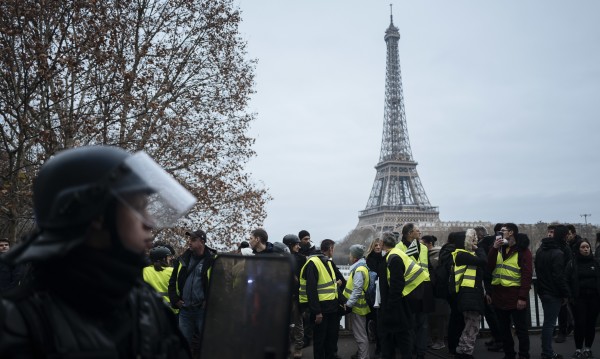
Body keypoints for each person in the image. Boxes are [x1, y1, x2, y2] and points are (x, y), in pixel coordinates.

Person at [0, 145, 192, 357]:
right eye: (138, 207)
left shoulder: (146, 305)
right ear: (97, 216)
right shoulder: (16, 323)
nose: (149, 223)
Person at [488, 223, 533, 359]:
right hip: (499, 295)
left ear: (511, 232)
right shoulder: (499, 248)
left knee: (521, 330)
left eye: (502, 231)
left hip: (515, 295)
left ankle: (524, 355)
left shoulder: (523, 251)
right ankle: (509, 354)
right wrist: (494, 248)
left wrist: (522, 297)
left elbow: (527, 275)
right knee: (504, 330)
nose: (499, 233)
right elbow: (489, 267)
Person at [168, 229, 217, 355]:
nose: (189, 242)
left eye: (193, 240)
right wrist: (175, 300)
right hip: (185, 312)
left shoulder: (213, 260)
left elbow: (220, 284)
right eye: (189, 240)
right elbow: (172, 282)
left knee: (208, 345)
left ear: (202, 242)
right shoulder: (182, 259)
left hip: (203, 311)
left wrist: (209, 302)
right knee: (184, 346)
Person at [379, 232, 420, 359]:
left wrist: (389, 308)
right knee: (401, 337)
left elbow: (396, 284)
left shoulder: (393, 258)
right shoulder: (395, 255)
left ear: (382, 243)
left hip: (396, 305)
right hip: (400, 302)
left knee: (399, 338)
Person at [299, 239, 342, 359]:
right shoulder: (313, 263)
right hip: (322, 309)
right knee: (320, 340)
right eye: (333, 248)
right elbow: (311, 290)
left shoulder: (326, 261)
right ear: (330, 249)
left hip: (331, 307)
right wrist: (317, 311)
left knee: (330, 338)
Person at [396, 223, 433, 359]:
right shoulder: (398, 248)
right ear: (410, 233)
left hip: (424, 289)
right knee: (409, 323)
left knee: (423, 324)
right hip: (408, 290)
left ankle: (421, 352)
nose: (420, 232)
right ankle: (409, 351)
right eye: (418, 230)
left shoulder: (423, 248)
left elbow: (428, 266)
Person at [535, 225, 570, 359]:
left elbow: (538, 271)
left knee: (547, 323)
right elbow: (558, 277)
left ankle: (547, 351)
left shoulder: (539, 251)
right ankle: (547, 352)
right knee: (549, 324)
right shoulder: (558, 253)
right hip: (553, 293)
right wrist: (566, 293)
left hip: (543, 291)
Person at [452, 229, 487, 359]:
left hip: (470, 294)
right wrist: (479, 249)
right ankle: (465, 352)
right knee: (472, 325)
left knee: (470, 325)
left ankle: (462, 350)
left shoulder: (463, 255)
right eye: (473, 239)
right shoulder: (462, 255)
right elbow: (483, 261)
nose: (475, 242)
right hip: (469, 295)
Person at [566, 239, 600, 359]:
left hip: (594, 298)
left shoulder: (596, 263)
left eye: (587, 247)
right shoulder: (572, 263)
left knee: (591, 324)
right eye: (583, 247)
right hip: (579, 298)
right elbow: (567, 281)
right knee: (580, 324)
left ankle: (588, 348)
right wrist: (570, 296)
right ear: (578, 249)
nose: (586, 249)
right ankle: (578, 349)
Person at [475, 224, 503, 352]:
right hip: (497, 282)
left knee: (491, 314)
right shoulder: (493, 242)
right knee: (495, 314)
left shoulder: (482, 246)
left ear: (478, 235)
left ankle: (499, 340)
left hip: (487, 283)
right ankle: (497, 338)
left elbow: (484, 265)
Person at [420, 235, 448, 351]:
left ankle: (439, 340)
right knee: (432, 316)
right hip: (430, 290)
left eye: (422, 243)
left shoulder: (437, 255)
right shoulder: (426, 254)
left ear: (429, 243)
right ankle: (432, 339)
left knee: (439, 316)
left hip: (437, 290)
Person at [343, 244, 371, 359]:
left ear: (355, 257)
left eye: (350, 254)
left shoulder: (358, 270)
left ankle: (363, 357)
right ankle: (361, 354)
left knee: (360, 335)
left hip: (357, 307)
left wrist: (349, 304)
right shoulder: (361, 267)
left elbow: (357, 290)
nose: (349, 256)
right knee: (361, 333)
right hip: (359, 306)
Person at [284, 234, 305, 358]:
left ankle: (298, 347)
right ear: (290, 245)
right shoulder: (283, 258)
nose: (298, 246)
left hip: (296, 295)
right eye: (296, 244)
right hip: (285, 295)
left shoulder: (302, 259)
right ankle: (286, 346)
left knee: (298, 323)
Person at [144, 245, 177, 312]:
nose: (170, 259)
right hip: (171, 312)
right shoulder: (172, 271)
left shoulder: (144, 270)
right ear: (163, 259)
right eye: (168, 257)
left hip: (151, 311)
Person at [366, 238, 384, 356]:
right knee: (374, 320)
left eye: (379, 245)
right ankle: (377, 346)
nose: (378, 247)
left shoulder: (384, 258)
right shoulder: (369, 259)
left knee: (378, 321)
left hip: (381, 294)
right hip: (373, 296)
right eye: (376, 245)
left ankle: (380, 345)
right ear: (372, 246)